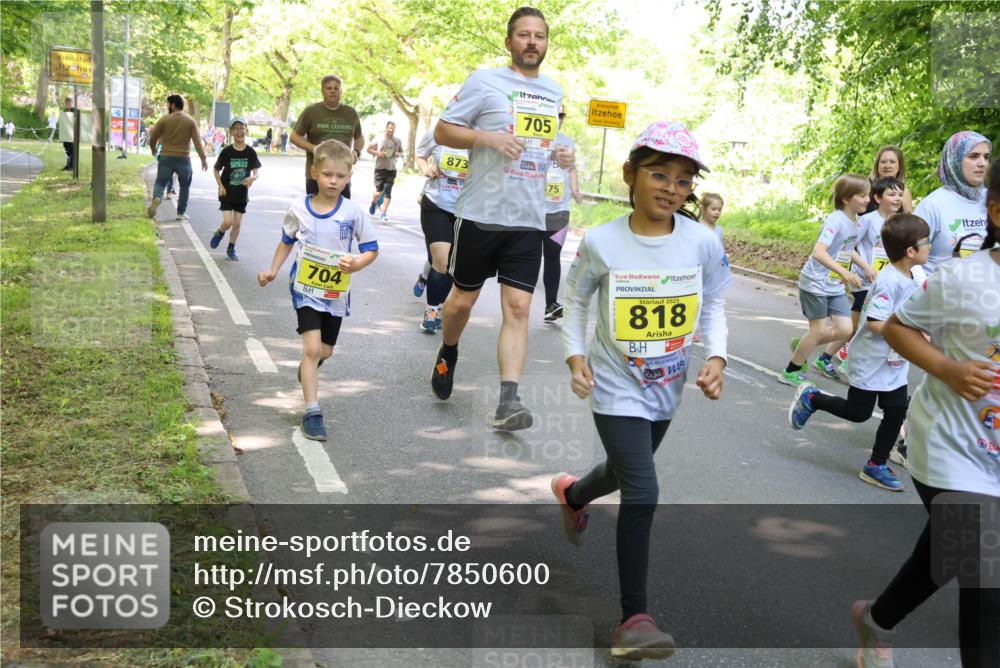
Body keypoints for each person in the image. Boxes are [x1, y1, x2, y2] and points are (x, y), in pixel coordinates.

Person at [552, 121, 731, 660]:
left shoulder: (702, 242)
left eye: (683, 180)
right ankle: (633, 619)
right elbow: (575, 301)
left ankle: (573, 495)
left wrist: (716, 357)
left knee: (622, 471)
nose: (671, 189)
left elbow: (715, 304)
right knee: (643, 490)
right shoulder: (603, 241)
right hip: (614, 385)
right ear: (630, 174)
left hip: (667, 387)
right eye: (659, 175)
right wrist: (576, 357)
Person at [849, 158, 1000, 668]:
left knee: (948, 552)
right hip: (954, 445)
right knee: (984, 571)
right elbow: (896, 327)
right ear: (997, 211)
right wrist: (949, 369)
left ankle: (877, 619)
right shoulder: (963, 278)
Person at [429, 6, 575, 430]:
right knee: (462, 302)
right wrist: (487, 138)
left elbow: (541, 145)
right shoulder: (484, 81)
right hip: (481, 214)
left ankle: (508, 400)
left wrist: (561, 155)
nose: (532, 42)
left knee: (519, 307)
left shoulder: (553, 91)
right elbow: (443, 131)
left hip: (528, 220)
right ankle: (449, 349)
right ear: (509, 41)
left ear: (546, 44)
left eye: (539, 36)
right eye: (524, 35)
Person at [788, 213, 931, 492]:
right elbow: (876, 323)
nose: (930, 246)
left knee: (896, 410)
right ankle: (812, 398)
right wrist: (909, 335)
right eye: (926, 242)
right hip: (870, 359)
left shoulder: (917, 274)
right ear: (911, 251)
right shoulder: (889, 281)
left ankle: (876, 464)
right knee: (858, 413)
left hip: (895, 360)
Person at [257, 140, 379, 441]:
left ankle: (309, 366)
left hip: (335, 293)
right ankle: (312, 411)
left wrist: (357, 263)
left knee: (325, 351)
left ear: (349, 177)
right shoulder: (299, 208)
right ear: (314, 173)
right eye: (327, 174)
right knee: (311, 349)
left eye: (340, 176)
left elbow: (371, 249)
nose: (333, 181)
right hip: (305, 288)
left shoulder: (353, 213)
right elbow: (286, 242)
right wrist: (273, 270)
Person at [780, 174, 874, 386]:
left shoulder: (856, 221)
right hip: (815, 283)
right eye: (862, 195)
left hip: (833, 285)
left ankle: (803, 343)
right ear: (846, 199)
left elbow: (846, 249)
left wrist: (865, 266)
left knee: (845, 330)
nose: (867, 200)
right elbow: (818, 252)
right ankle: (790, 371)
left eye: (868, 195)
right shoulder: (836, 220)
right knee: (818, 330)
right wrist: (845, 273)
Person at [828, 177, 907, 373]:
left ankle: (825, 355)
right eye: (892, 194)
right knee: (867, 323)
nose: (897, 198)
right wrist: (865, 267)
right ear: (878, 198)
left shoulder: (900, 223)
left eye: (900, 194)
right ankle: (849, 361)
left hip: (885, 281)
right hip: (864, 281)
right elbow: (848, 247)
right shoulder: (867, 220)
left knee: (857, 324)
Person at [413, 128, 467, 332]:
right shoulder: (438, 131)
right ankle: (432, 311)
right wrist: (426, 167)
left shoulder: (482, 134)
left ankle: (426, 276)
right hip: (436, 204)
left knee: (451, 263)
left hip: (466, 210)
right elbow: (420, 155)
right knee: (442, 261)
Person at [917, 131, 991, 271]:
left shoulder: (993, 200)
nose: (982, 163)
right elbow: (908, 259)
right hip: (942, 284)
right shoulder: (932, 205)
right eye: (974, 156)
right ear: (954, 160)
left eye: (986, 157)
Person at [291, 75, 365, 198]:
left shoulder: (351, 113)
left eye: (336, 88)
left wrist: (356, 152)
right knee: (317, 209)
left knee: (342, 209)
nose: (332, 91)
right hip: (317, 175)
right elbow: (294, 136)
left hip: (342, 175)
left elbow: (359, 137)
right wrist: (314, 148)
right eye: (329, 88)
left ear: (341, 91)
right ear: (322, 91)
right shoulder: (311, 111)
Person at [541, 105, 583, 322]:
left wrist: (575, 189)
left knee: (553, 254)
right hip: (533, 210)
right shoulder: (533, 138)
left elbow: (572, 168)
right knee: (529, 257)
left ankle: (551, 304)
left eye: (562, 115)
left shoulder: (568, 141)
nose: (559, 118)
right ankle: (519, 303)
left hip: (559, 210)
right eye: (555, 114)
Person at [146, 94, 209, 222]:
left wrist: (153, 148)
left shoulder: (164, 119)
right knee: (185, 186)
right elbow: (197, 142)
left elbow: (153, 138)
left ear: (173, 105)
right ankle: (180, 213)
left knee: (160, 182)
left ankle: (157, 197)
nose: (167, 106)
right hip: (183, 159)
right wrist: (203, 159)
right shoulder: (190, 121)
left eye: (168, 104)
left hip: (166, 157)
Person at [209, 118, 261, 261]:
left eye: (241, 128)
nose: (239, 131)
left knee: (237, 224)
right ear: (231, 132)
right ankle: (220, 232)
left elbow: (256, 172)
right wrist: (220, 186)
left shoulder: (250, 152)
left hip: (241, 194)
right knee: (228, 222)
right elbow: (216, 169)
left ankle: (231, 248)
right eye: (236, 128)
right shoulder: (227, 151)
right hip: (226, 192)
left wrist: (252, 178)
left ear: (246, 130)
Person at [367, 121, 404, 223]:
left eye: (393, 128)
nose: (391, 130)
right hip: (380, 168)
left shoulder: (397, 140)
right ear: (386, 128)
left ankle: (384, 212)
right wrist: (378, 153)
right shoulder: (379, 138)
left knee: (388, 190)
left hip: (392, 169)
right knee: (378, 192)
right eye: (390, 128)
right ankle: (374, 203)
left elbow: (401, 151)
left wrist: (398, 154)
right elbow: (368, 149)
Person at [865, 146, 913, 214]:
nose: (887, 166)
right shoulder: (864, 186)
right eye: (883, 162)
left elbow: (908, 219)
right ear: (877, 165)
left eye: (892, 162)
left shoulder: (904, 191)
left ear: (899, 167)